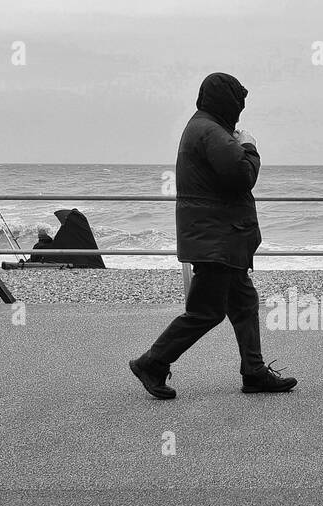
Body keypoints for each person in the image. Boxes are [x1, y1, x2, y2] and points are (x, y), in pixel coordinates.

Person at [129, 72, 296, 399]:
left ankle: (254, 371)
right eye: (238, 103)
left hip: (220, 238)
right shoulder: (210, 131)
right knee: (206, 311)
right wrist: (249, 145)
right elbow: (242, 175)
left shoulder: (204, 127)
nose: (240, 111)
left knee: (244, 303)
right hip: (217, 240)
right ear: (227, 102)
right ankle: (152, 362)